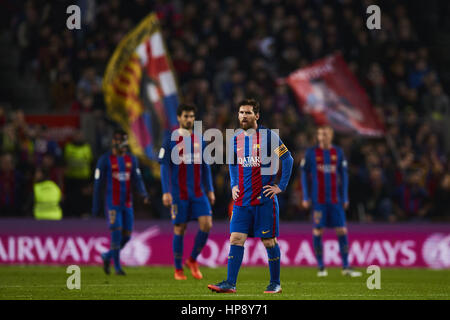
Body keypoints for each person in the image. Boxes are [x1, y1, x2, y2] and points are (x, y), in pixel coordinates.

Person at [208, 98, 293, 294]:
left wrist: (281, 186)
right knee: (236, 238)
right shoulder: (236, 138)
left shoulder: (269, 137)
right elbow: (231, 163)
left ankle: (275, 283)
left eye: (247, 112)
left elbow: (287, 159)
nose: (243, 116)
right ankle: (230, 283)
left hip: (264, 201)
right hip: (242, 201)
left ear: (257, 115)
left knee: (269, 242)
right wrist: (234, 184)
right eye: (241, 112)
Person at [159, 104, 215, 280]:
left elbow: (205, 166)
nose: (189, 119)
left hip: (198, 192)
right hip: (178, 193)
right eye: (186, 116)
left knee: (207, 224)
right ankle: (178, 269)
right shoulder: (169, 140)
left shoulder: (200, 139)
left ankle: (192, 260)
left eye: (191, 116)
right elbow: (163, 167)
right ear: (179, 118)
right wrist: (165, 191)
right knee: (180, 228)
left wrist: (210, 189)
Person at [300, 125, 361, 277]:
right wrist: (306, 196)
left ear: (331, 136)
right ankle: (321, 267)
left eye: (326, 134)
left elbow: (344, 176)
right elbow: (303, 174)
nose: (323, 137)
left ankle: (346, 267)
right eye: (320, 134)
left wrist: (345, 197)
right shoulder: (311, 153)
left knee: (342, 230)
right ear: (318, 136)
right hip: (318, 201)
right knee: (318, 230)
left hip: (335, 200)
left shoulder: (338, 153)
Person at [92, 129, 149, 275]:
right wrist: (96, 206)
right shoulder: (104, 160)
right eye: (118, 141)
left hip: (127, 203)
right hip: (112, 203)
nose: (121, 144)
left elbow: (137, 179)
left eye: (123, 141)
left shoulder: (132, 159)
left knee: (127, 236)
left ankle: (107, 255)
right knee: (116, 234)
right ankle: (117, 267)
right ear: (113, 142)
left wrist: (143, 193)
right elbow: (98, 184)